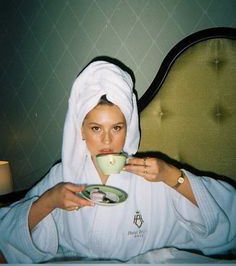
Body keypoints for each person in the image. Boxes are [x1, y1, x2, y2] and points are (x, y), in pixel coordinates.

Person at [0, 58, 235, 264]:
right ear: (80, 130)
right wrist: (49, 201)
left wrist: (171, 175)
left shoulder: (150, 175)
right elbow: (7, 237)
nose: (107, 139)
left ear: (128, 129)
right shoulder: (63, 176)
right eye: (95, 128)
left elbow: (226, 217)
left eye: (116, 127)